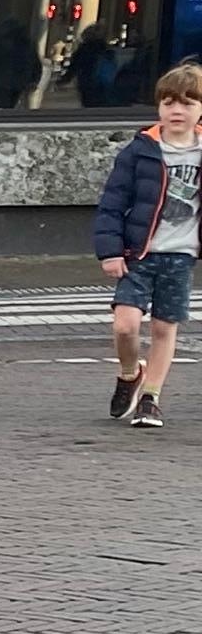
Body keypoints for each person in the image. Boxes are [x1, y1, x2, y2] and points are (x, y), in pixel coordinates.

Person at [97, 64, 202, 430]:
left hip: (181, 255)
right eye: (169, 102)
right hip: (138, 253)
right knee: (125, 326)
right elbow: (112, 202)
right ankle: (130, 373)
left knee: (163, 328)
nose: (177, 110)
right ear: (158, 107)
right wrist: (110, 250)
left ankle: (150, 398)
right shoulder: (140, 152)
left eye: (188, 103)